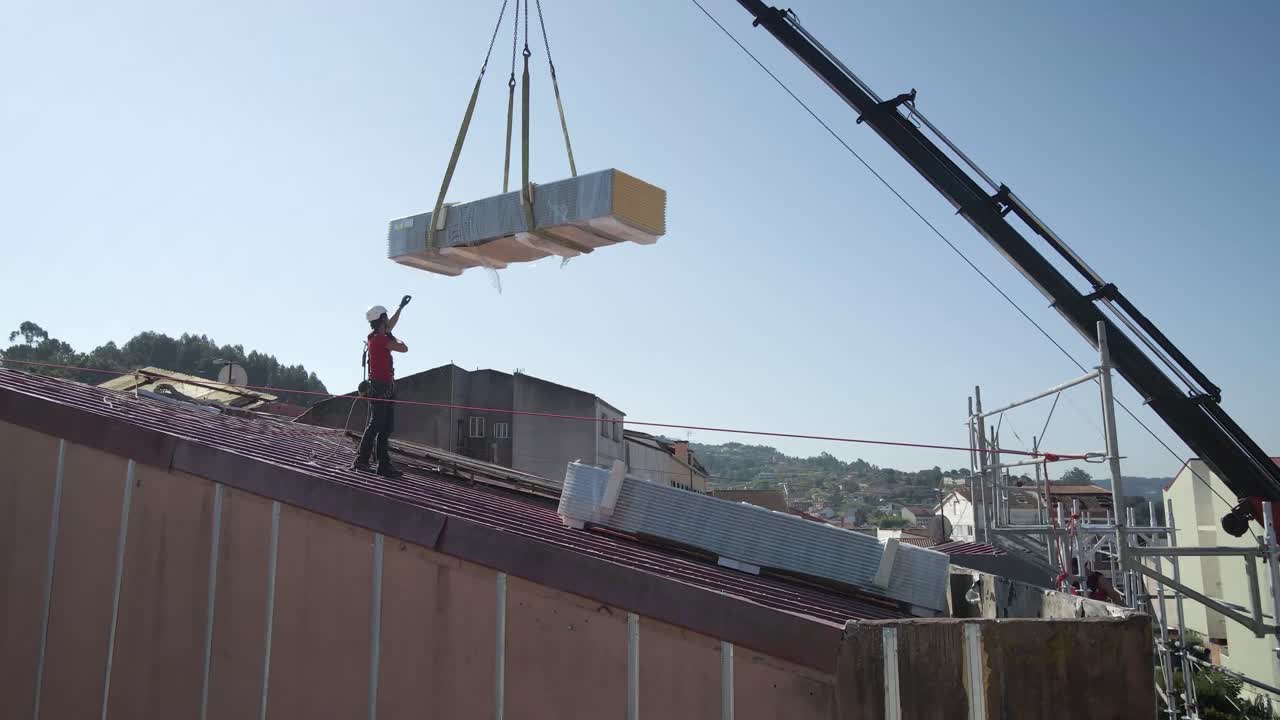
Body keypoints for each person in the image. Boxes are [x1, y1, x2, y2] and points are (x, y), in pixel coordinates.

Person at [352, 296, 410, 477]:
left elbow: (390, 324)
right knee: (377, 424)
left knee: (383, 426)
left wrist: (400, 308)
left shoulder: (375, 337)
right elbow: (404, 348)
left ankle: (382, 464)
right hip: (381, 387)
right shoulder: (381, 340)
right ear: (381, 320)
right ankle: (362, 460)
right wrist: (393, 335)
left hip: (384, 386)